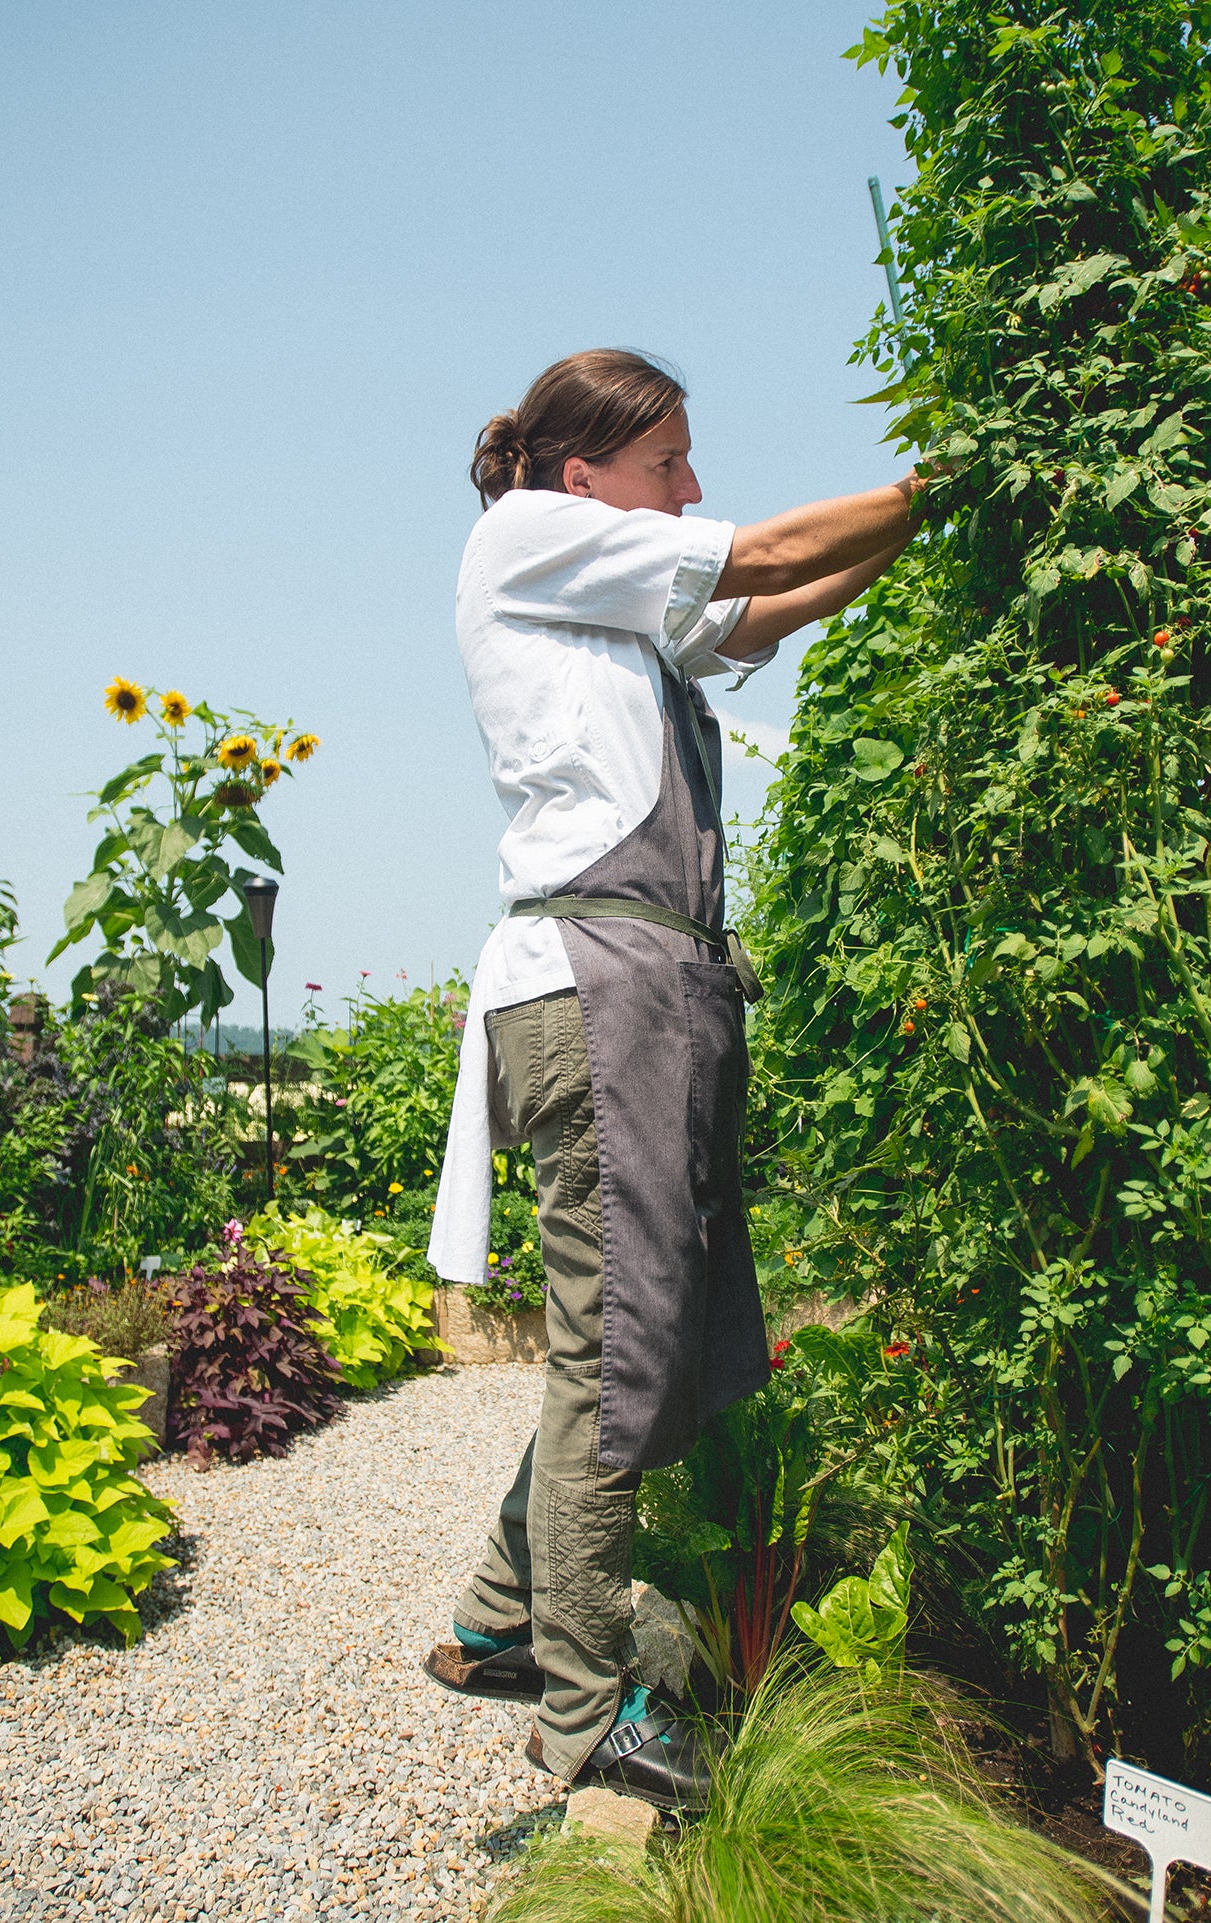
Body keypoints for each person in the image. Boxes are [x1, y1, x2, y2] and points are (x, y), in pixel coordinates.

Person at [420, 348, 923, 1810]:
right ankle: (584, 1713)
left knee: (626, 1332)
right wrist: (924, 485)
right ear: (587, 479)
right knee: (607, 1349)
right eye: (669, 464)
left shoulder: (619, 622)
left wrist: (908, 534)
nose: (692, 490)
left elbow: (766, 603)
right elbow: (754, 550)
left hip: (650, 990)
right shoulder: (523, 534)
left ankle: (496, 1622)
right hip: (595, 987)